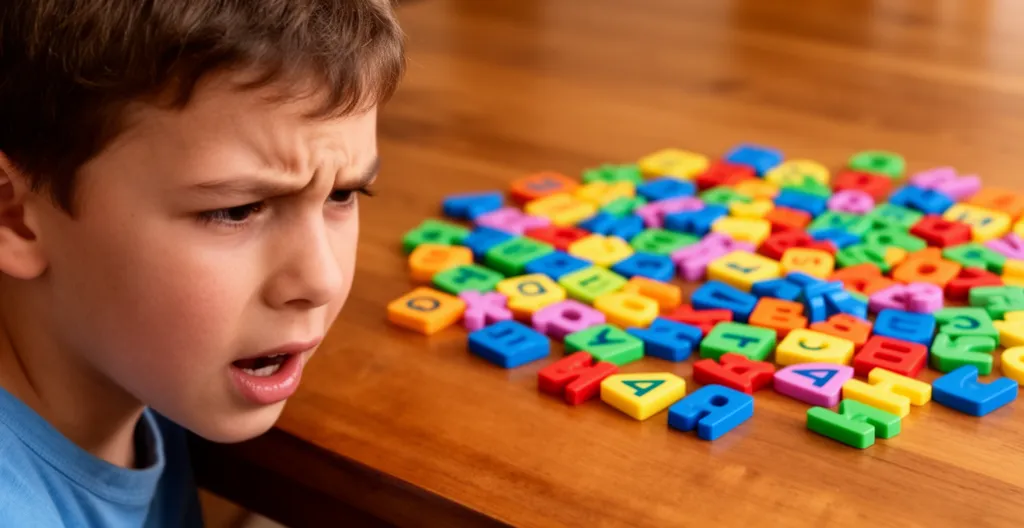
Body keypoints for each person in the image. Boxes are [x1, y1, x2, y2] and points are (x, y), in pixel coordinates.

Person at [0, 0, 404, 525]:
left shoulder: (138, 364)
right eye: (235, 211)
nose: (321, 279)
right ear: (15, 218)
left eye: (343, 194)